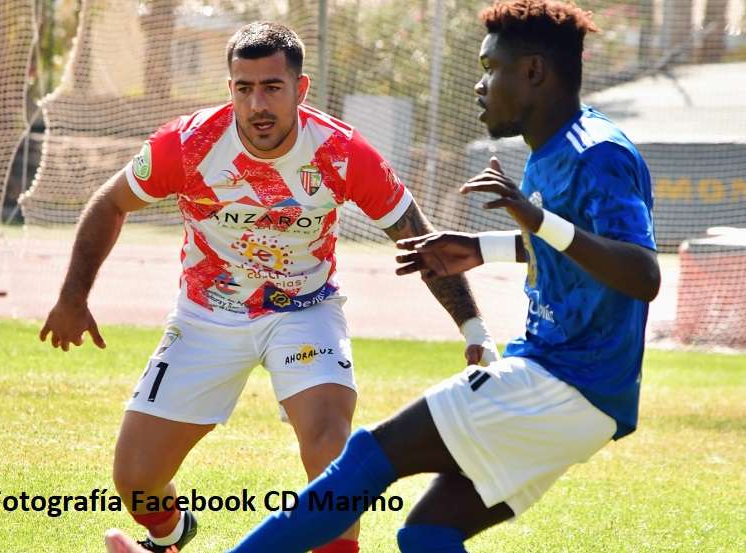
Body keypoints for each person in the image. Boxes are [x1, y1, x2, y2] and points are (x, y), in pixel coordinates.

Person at [103, 1, 661, 551]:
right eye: (243, 87)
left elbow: (642, 273)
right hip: (565, 380)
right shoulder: (549, 153)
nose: (479, 85)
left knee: (363, 453)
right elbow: (575, 254)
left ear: (534, 71)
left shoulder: (597, 154)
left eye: (490, 68)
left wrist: (523, 234)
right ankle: (168, 532)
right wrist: (485, 246)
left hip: (565, 378)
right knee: (427, 533)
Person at [39, 21, 496, 553]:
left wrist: (473, 326)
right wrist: (73, 297)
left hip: (306, 309)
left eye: (272, 88)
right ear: (230, 87)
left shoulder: (341, 153)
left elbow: (417, 235)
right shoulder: (188, 145)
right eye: (243, 88)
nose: (257, 104)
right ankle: (169, 534)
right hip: (206, 314)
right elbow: (111, 202)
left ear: (300, 90)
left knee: (330, 444)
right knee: (135, 480)